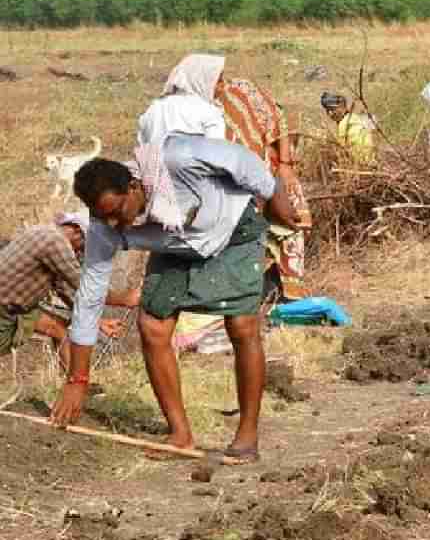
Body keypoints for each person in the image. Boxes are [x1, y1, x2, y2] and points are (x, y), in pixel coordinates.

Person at [53, 139, 302, 463]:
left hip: (231, 232)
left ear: (134, 185)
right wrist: (78, 379)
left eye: (117, 212)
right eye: (105, 218)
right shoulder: (103, 227)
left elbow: (240, 159)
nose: (115, 224)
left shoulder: (178, 159)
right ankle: (180, 434)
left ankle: (247, 436)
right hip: (175, 246)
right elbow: (89, 297)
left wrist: (275, 193)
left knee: (242, 326)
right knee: (152, 324)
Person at [161, 55, 313, 303]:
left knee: (286, 232)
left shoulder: (241, 91)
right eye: (216, 81)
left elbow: (277, 120)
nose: (222, 85)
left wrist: (285, 166)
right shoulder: (183, 116)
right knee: (239, 245)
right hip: (228, 194)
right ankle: (249, 301)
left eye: (221, 78)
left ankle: (284, 299)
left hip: (272, 176)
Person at [0, 213, 136, 360]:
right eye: (85, 246)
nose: (81, 252)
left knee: (58, 329)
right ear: (77, 231)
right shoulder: (54, 242)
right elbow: (84, 287)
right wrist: (124, 298)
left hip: (15, 308)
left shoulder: (43, 233)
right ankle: (77, 380)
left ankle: (76, 381)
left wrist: (98, 322)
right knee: (58, 330)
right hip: (5, 310)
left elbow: (65, 291)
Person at [321, 92, 376, 164]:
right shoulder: (357, 117)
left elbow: (341, 150)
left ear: (342, 107)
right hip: (371, 161)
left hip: (360, 163)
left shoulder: (343, 124)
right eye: (328, 110)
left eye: (333, 109)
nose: (330, 113)